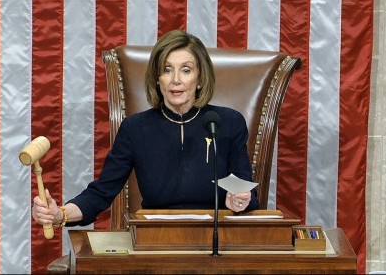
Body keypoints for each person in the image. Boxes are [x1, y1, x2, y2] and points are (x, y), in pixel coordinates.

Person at [32, 29, 260, 228]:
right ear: (157, 78)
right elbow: (101, 193)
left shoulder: (226, 122)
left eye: (186, 70)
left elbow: (247, 193)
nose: (176, 80)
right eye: (167, 70)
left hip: (217, 236)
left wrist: (240, 200)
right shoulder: (136, 128)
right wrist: (59, 214)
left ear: (200, 78)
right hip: (155, 238)